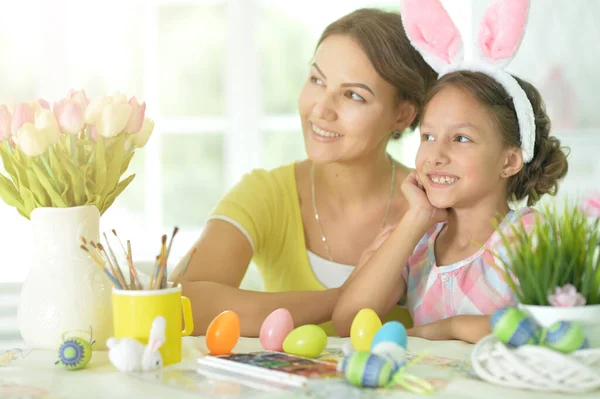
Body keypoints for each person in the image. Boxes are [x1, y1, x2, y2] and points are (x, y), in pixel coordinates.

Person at [172, 8, 437, 336]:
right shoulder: (267, 193)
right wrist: (344, 298)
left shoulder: (434, 206)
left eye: (353, 95)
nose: (321, 109)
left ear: (402, 115)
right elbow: (181, 304)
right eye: (317, 80)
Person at [332, 0, 569, 343]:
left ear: (510, 161)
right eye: (428, 136)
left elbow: (552, 329)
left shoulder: (533, 238)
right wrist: (416, 218)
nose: (436, 155)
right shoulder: (417, 243)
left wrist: (449, 328)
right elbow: (348, 322)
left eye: (461, 138)